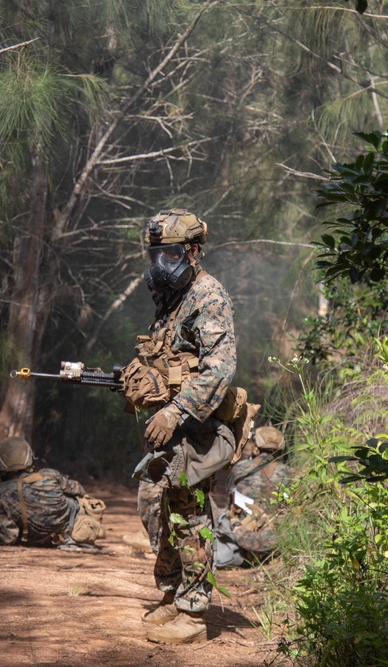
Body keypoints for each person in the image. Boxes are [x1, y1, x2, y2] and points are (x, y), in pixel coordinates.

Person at [119, 208, 237, 644]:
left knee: (188, 514)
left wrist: (174, 412)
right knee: (154, 501)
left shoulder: (208, 296)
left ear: (192, 251)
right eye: (154, 255)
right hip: (169, 429)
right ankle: (171, 593)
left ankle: (193, 609)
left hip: (197, 428)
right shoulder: (170, 299)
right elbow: (167, 361)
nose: (159, 264)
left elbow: (219, 370)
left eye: (168, 253)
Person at [0, 436, 106, 549]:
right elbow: (78, 490)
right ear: (29, 456)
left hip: (34, 538)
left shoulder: (4, 493)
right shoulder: (49, 475)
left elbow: (7, 537)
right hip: (69, 530)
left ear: (0, 462)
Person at [228, 425, 292, 561]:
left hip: (243, 536)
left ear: (255, 447)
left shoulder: (241, 468)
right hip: (276, 539)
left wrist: (235, 523)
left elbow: (230, 499)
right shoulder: (289, 473)